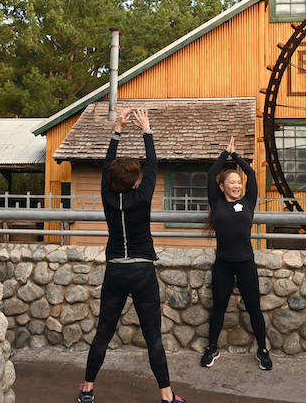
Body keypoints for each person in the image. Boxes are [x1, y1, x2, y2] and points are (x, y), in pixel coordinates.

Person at [77, 108, 187, 403]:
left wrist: (118, 130)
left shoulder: (108, 196)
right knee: (153, 338)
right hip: (141, 272)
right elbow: (153, 164)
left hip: (116, 271)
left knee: (103, 333)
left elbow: (106, 169)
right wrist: (146, 130)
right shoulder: (143, 195)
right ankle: (167, 396)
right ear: (136, 181)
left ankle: (87, 390)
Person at [200, 136, 272, 371]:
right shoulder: (217, 202)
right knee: (218, 307)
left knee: (254, 308)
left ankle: (262, 350)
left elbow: (251, 175)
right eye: (232, 182)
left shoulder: (249, 201)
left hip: (245, 264)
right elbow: (211, 175)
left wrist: (238, 158)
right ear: (222, 187)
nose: (237, 185)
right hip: (223, 264)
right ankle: (212, 347)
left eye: (238, 182)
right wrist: (225, 155)